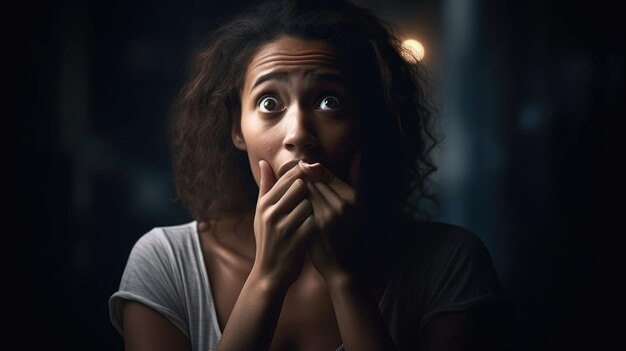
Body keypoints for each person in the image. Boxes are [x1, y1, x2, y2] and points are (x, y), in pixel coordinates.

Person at [109, 0, 507, 350]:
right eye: (269, 102)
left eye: (329, 101)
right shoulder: (166, 262)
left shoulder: (450, 263)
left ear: (368, 121)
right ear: (236, 128)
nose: (299, 134)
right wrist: (266, 279)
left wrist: (346, 279)